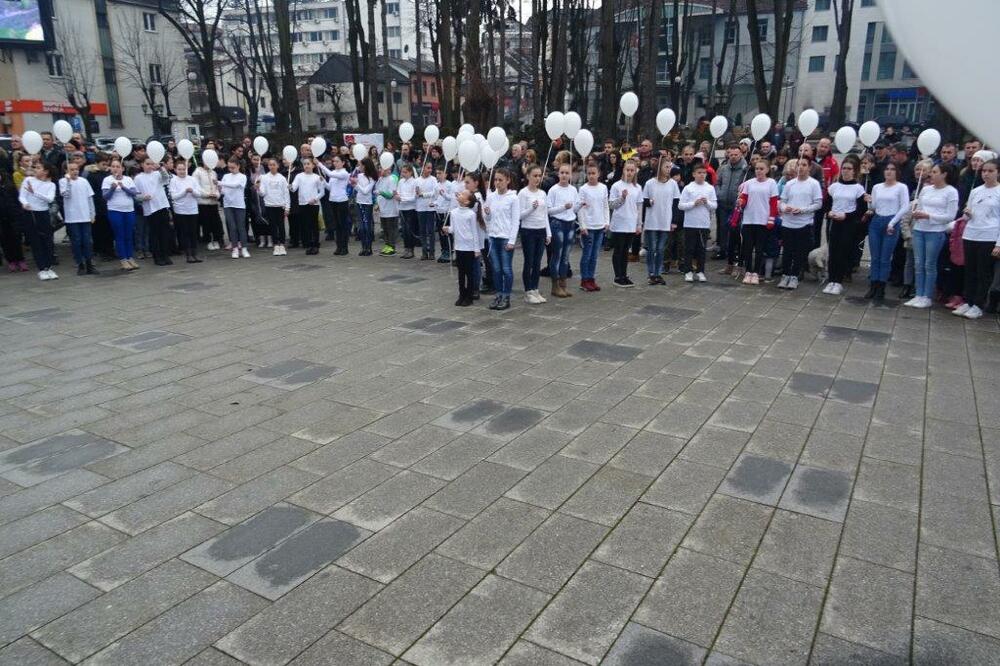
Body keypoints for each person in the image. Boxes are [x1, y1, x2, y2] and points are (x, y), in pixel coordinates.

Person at [905, 164, 959, 308]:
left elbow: (950, 216)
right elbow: (920, 206)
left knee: (929, 264)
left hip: (935, 232)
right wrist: (917, 213)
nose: (931, 175)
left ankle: (927, 296)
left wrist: (928, 216)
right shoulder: (926, 189)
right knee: (918, 263)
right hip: (919, 229)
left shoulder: (951, 192)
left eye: (935, 172)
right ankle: (918, 293)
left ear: (944, 174)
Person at [954, 159, 999, 319]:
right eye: (984, 171)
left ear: (997, 172)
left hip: (988, 236)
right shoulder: (976, 190)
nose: (986, 174)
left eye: (990, 171)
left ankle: (978, 304)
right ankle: (968, 300)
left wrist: (998, 244)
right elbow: (968, 214)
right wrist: (967, 213)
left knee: (983, 272)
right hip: (971, 234)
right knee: (970, 270)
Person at [863, 163, 909, 302]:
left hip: (891, 221)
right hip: (877, 221)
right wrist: (869, 202)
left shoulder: (901, 187)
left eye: (892, 169)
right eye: (887, 169)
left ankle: (881, 287)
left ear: (897, 172)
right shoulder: (877, 187)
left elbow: (904, 206)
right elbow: (875, 207)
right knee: (875, 256)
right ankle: (873, 285)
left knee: (885, 257)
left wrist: (893, 222)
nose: (889, 172)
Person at [823, 156, 867, 296]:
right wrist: (829, 212)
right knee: (833, 251)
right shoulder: (834, 186)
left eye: (849, 169)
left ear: (854, 171)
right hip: (834, 221)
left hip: (848, 224)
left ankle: (839, 281)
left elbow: (861, 210)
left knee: (843, 252)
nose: (846, 171)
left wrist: (846, 216)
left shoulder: (858, 189)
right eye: (844, 168)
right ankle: (831, 280)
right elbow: (827, 204)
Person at [778, 158, 823, 290]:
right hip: (788, 223)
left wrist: (802, 210)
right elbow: (782, 201)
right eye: (799, 165)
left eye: (804, 165)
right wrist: (784, 208)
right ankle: (785, 275)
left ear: (809, 168)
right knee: (787, 251)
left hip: (803, 223)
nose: (801, 167)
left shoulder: (813, 184)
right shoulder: (790, 184)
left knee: (799, 252)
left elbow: (818, 204)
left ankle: (794, 276)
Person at [735, 159, 778, 285]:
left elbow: (774, 203)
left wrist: (771, 218)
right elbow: (744, 198)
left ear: (767, 170)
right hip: (749, 219)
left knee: (760, 248)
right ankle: (748, 271)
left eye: (761, 169)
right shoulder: (749, 183)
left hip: (763, 220)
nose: (759, 171)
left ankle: (756, 272)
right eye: (757, 169)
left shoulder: (771, 183)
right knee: (747, 247)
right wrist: (741, 202)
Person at [483, 168, 519, 310]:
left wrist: (511, 241)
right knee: (496, 269)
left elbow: (515, 221)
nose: (497, 183)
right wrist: (487, 213)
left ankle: (506, 296)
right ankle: (498, 294)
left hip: (505, 238)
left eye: (500, 180)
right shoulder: (491, 197)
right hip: (493, 236)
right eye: (496, 180)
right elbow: (489, 218)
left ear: (508, 180)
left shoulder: (513, 198)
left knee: (506, 269)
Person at [642, 157, 680, 285]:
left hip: (665, 220)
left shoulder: (673, 184)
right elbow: (643, 201)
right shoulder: (650, 183)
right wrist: (649, 202)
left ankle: (658, 273)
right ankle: (651, 273)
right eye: (666, 167)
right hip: (652, 220)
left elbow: (676, 203)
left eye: (670, 167)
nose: (669, 170)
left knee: (661, 249)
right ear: (659, 168)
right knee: (652, 248)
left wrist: (674, 221)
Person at [19, 161, 58, 280]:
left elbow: (50, 199)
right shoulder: (28, 180)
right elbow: (22, 195)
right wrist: (25, 203)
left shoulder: (51, 185)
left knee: (47, 240)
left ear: (45, 171)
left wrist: (35, 192)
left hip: (43, 213)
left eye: (39, 168)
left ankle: (49, 267)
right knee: (36, 241)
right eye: (35, 167)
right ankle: (41, 268)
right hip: (31, 213)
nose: (35, 169)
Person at [678, 164, 717, 283]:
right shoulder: (688, 188)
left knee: (701, 249)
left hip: (704, 224)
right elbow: (681, 205)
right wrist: (693, 204)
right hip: (690, 224)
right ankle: (688, 271)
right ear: (694, 174)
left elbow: (714, 205)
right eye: (699, 172)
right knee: (689, 249)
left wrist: (707, 203)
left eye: (704, 173)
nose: (701, 175)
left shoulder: (710, 188)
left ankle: (700, 271)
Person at [545, 163, 580, 298]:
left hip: (570, 224)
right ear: (558, 174)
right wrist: (563, 207)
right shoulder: (553, 190)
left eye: (567, 173)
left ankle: (563, 284)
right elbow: (549, 210)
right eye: (562, 172)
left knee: (566, 256)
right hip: (558, 224)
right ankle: (555, 285)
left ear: (571, 175)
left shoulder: (573, 190)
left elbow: (574, 209)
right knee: (557, 255)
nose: (564, 175)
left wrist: (579, 206)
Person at [443, 190, 483, 307]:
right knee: (461, 273)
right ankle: (461, 294)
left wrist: (476, 249)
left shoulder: (471, 214)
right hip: (459, 247)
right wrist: (447, 229)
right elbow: (453, 229)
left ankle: (469, 296)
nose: (459, 194)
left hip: (469, 248)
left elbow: (475, 233)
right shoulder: (454, 212)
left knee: (469, 273)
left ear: (466, 202)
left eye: (462, 194)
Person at [58, 161, 98, 276]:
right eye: (72, 169)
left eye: (76, 169)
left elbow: (90, 198)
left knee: (87, 241)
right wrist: (69, 183)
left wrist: (92, 213)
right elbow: (66, 195)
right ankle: (80, 263)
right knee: (76, 241)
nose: (75, 171)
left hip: (85, 216)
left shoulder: (84, 181)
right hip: (72, 217)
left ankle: (89, 263)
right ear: (66, 171)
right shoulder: (63, 181)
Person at [518, 164, 551, 303]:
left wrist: (548, 233)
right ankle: (528, 291)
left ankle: (535, 289)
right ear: (528, 176)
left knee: (537, 262)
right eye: (534, 176)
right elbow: (519, 216)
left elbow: (545, 215)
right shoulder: (523, 193)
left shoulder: (543, 193)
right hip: (528, 231)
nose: (537, 178)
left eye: (539, 176)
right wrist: (531, 208)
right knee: (529, 261)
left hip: (541, 230)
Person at [608, 160, 643, 287]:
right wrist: (622, 198)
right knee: (619, 249)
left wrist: (639, 224)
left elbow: (639, 207)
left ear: (635, 171)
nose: (629, 173)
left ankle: (624, 274)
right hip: (619, 223)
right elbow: (611, 204)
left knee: (625, 251)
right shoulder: (616, 186)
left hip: (631, 223)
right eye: (627, 170)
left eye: (632, 170)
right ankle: (618, 276)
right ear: (623, 170)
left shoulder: (638, 188)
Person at [134, 158, 174, 266]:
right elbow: (136, 195)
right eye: (147, 164)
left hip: (162, 205)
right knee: (154, 234)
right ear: (142, 165)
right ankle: (157, 256)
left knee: (165, 232)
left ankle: (166, 255)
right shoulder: (138, 178)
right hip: (151, 209)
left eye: (151, 164)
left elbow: (166, 178)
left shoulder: (157, 174)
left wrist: (160, 167)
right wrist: (143, 197)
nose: (150, 166)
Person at [101, 160, 139, 271]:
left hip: (129, 210)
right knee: (120, 235)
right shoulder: (107, 180)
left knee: (129, 234)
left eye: (118, 166)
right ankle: (123, 259)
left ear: (122, 168)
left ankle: (130, 257)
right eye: (113, 166)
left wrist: (123, 187)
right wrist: (112, 188)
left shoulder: (128, 179)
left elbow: (134, 193)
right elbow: (105, 197)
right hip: (115, 210)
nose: (115, 169)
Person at [577, 163, 610, 292]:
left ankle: (591, 278)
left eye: (593, 173)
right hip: (589, 226)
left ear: (598, 174)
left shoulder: (603, 188)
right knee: (587, 254)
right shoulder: (584, 189)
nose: (591, 176)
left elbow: (605, 206)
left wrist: (606, 222)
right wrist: (582, 225)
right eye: (589, 173)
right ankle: (584, 279)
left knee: (595, 254)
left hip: (600, 225)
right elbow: (580, 209)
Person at [716, 144, 747, 270]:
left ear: (741, 155)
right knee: (723, 228)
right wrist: (719, 193)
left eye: (736, 154)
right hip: (723, 203)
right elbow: (717, 182)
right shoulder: (723, 168)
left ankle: (735, 254)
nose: (733, 157)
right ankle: (723, 251)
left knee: (735, 231)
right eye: (731, 154)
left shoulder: (745, 169)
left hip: (737, 206)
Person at [168, 160, 204, 263]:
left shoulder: (192, 180)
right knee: (185, 233)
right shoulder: (173, 181)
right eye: (179, 169)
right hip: (180, 210)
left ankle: (194, 253)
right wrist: (184, 191)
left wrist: (192, 191)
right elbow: (174, 196)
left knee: (193, 232)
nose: (182, 171)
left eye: (183, 169)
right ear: (175, 170)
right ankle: (188, 254)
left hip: (192, 209)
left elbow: (199, 194)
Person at [290, 158, 325, 255]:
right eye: (304, 164)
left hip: (313, 204)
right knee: (305, 225)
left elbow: (322, 192)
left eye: (308, 164)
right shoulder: (299, 176)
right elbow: (294, 188)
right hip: (302, 204)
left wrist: (315, 199)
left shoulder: (317, 177)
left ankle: (315, 245)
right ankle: (309, 244)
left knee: (314, 225)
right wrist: (289, 186)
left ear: (313, 165)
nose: (306, 166)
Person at [317, 155, 351, 254]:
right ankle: (338, 247)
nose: (335, 163)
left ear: (343, 163)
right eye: (334, 161)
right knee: (337, 225)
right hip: (333, 200)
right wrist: (323, 181)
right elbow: (330, 188)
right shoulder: (333, 173)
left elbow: (330, 174)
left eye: (337, 161)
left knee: (342, 225)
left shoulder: (344, 173)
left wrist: (319, 164)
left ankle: (344, 247)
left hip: (342, 201)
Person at [219, 157, 251, 258]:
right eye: (229, 167)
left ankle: (244, 248)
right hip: (228, 204)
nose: (231, 169)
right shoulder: (226, 176)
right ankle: (235, 248)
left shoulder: (242, 177)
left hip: (239, 205)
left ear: (238, 166)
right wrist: (219, 189)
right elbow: (223, 191)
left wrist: (221, 183)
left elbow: (235, 185)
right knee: (232, 227)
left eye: (233, 167)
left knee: (241, 227)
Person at [257, 158, 290, 256]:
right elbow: (262, 193)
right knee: (273, 226)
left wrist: (287, 207)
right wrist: (258, 188)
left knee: (281, 226)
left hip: (280, 205)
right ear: (268, 166)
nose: (272, 166)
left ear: (278, 166)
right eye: (270, 165)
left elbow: (286, 193)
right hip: (270, 205)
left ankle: (282, 245)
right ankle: (276, 245)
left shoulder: (282, 178)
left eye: (274, 164)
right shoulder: (264, 177)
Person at [352, 157, 377, 256]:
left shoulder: (372, 178)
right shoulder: (360, 175)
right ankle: (363, 247)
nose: (360, 167)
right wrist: (356, 168)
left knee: (367, 226)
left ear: (366, 166)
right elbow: (352, 176)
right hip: (359, 203)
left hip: (367, 204)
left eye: (362, 165)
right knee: (361, 227)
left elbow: (366, 191)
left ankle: (369, 247)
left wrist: (356, 185)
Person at [375, 166, 399, 256]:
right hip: (383, 209)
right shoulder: (380, 179)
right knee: (385, 229)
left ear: (388, 169)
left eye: (382, 168)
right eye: (380, 168)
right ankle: (387, 245)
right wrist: (377, 203)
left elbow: (390, 195)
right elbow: (377, 192)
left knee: (391, 229)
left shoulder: (392, 179)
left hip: (391, 209)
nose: (380, 170)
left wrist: (381, 193)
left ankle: (392, 247)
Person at [397, 163, 419, 258]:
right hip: (402, 208)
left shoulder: (414, 182)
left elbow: (414, 197)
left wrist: (402, 198)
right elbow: (398, 191)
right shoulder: (401, 181)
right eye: (402, 172)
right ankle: (406, 248)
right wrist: (397, 196)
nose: (403, 174)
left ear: (410, 172)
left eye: (405, 172)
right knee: (404, 231)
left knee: (409, 230)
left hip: (410, 208)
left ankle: (411, 249)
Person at [433, 166, 453, 263]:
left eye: (440, 173)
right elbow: (436, 198)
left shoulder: (449, 185)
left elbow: (450, 198)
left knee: (446, 233)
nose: (438, 175)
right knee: (441, 233)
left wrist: (444, 194)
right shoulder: (437, 185)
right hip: (439, 211)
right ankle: (443, 250)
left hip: (446, 211)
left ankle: (449, 251)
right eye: (437, 173)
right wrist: (434, 203)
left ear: (445, 174)